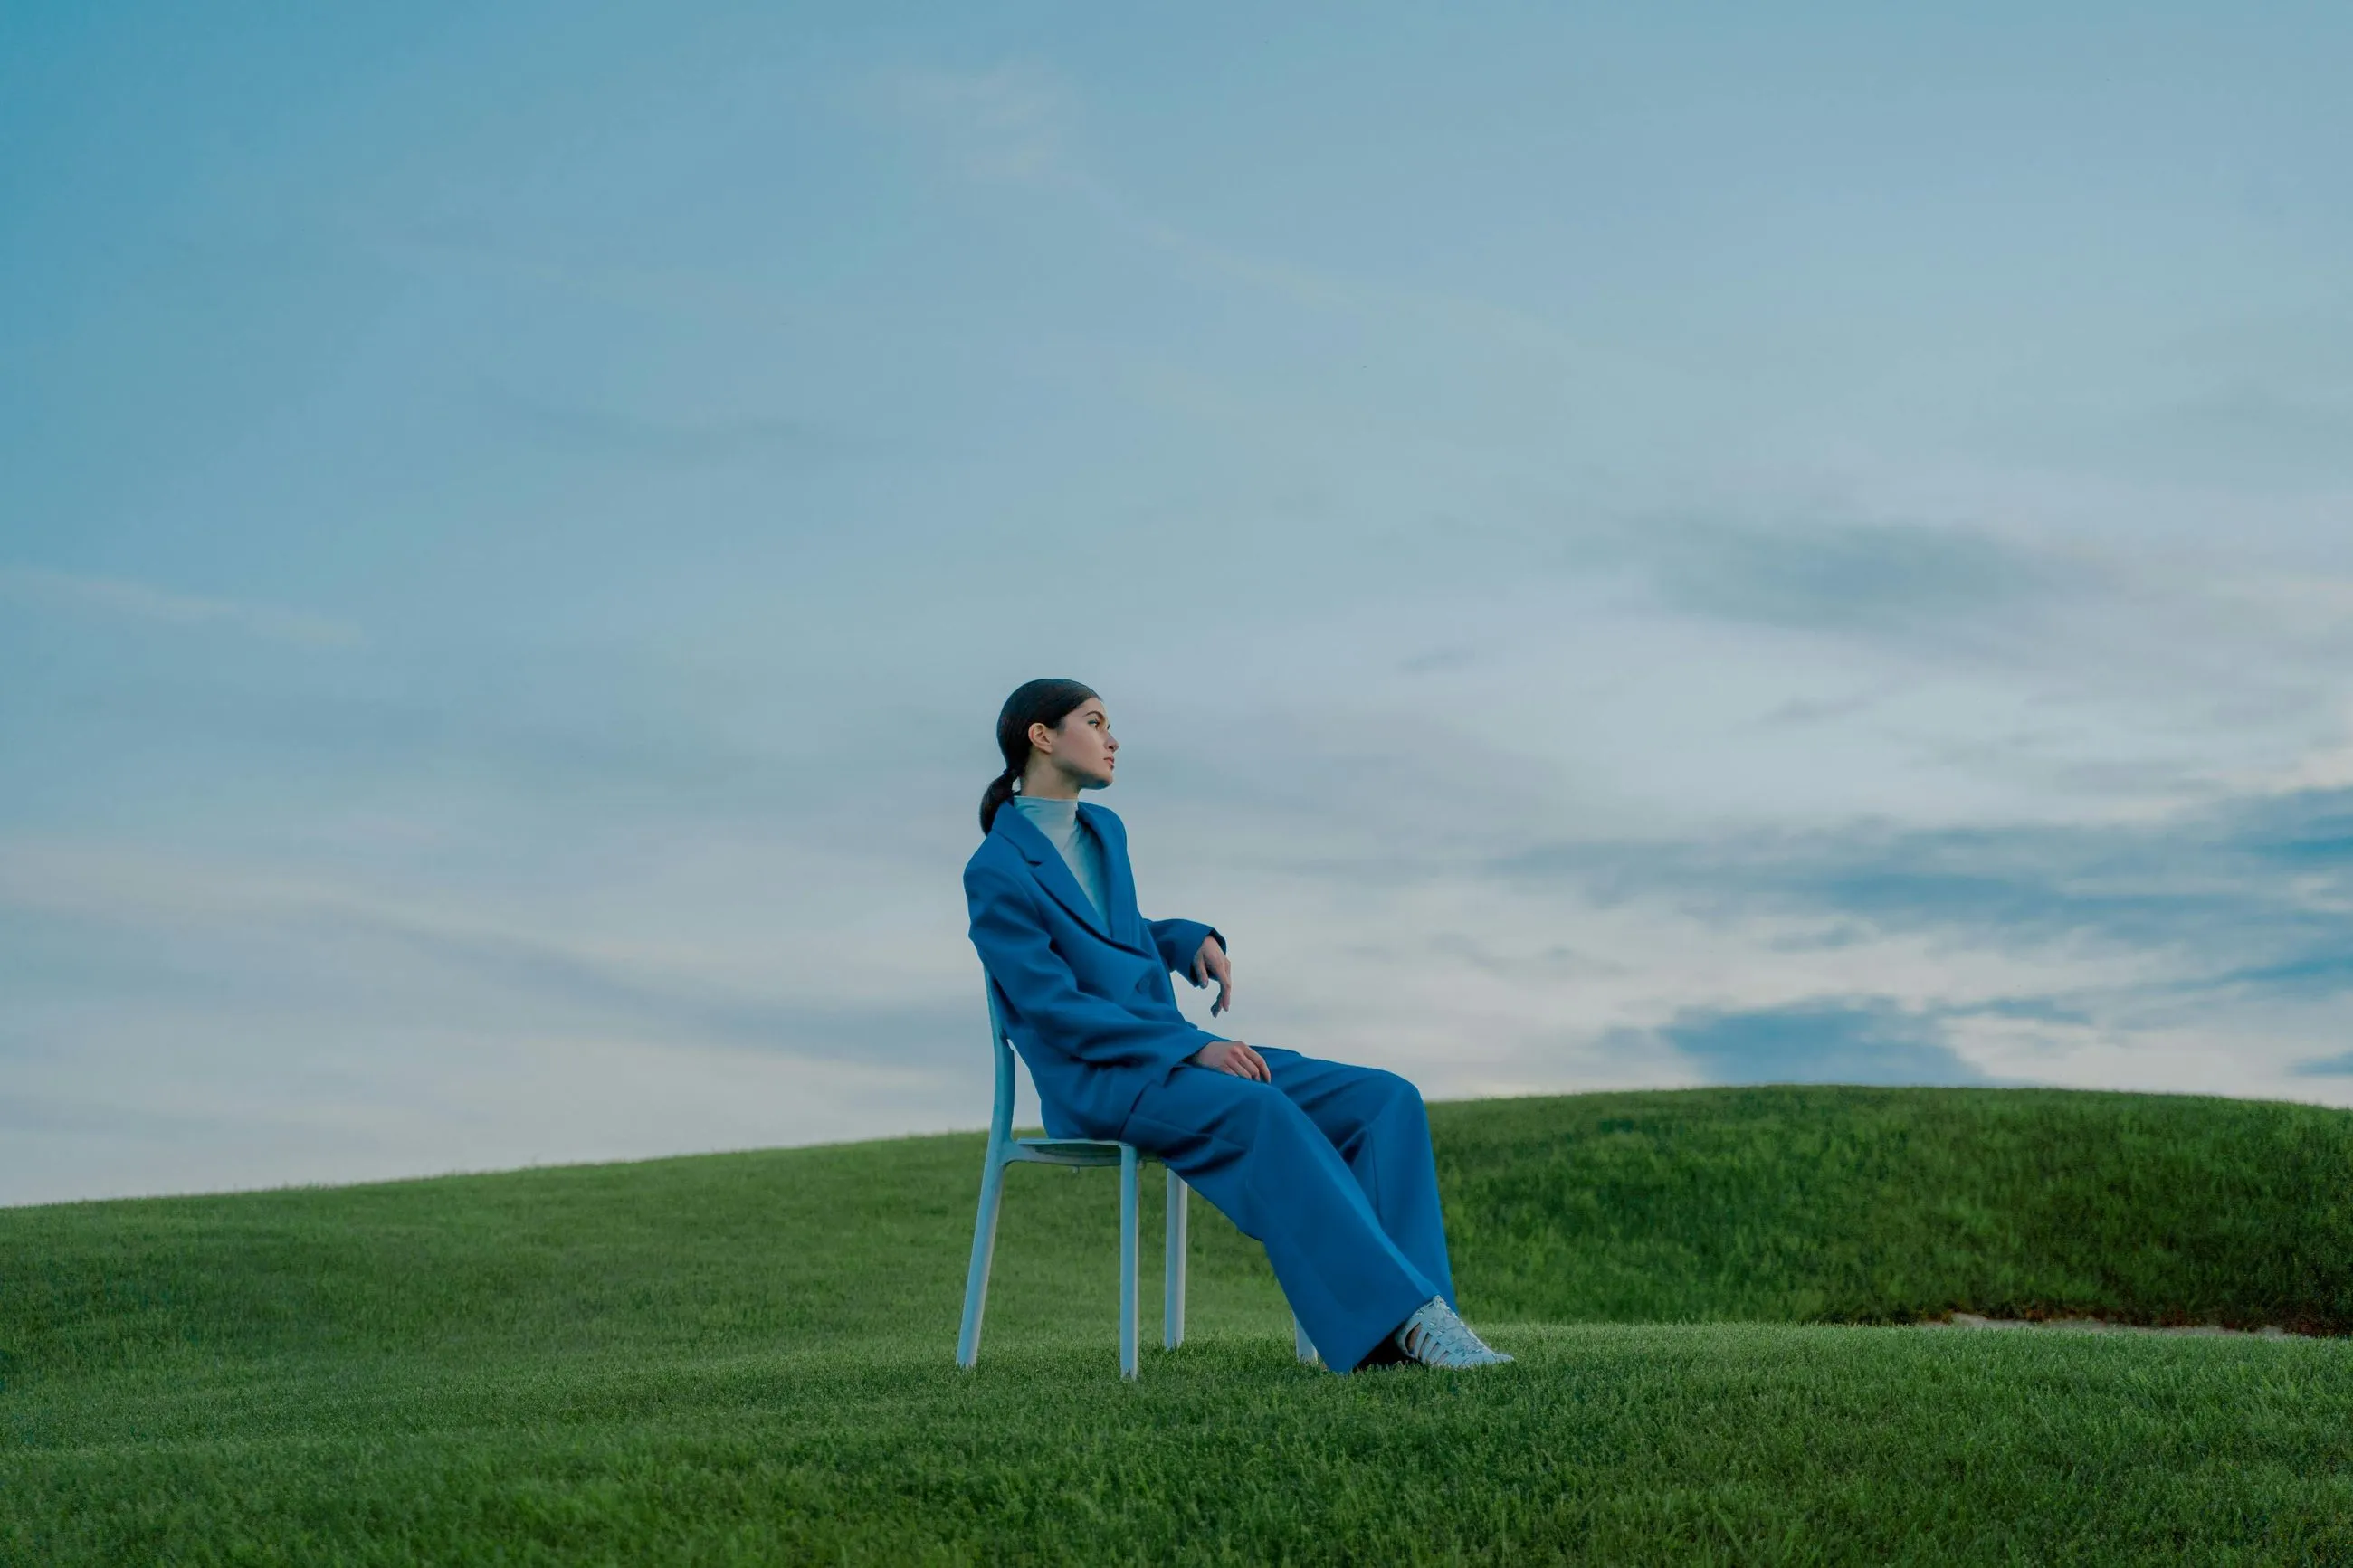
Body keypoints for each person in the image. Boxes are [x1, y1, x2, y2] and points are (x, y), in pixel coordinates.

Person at [962, 678, 1511, 1373]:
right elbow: (1054, 1007)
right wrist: (1195, 1049)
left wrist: (1185, 939)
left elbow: (1113, 932)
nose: (1113, 739)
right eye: (1095, 722)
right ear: (1041, 736)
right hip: (1103, 1081)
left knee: (1385, 1099)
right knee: (1262, 1111)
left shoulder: (1105, 831)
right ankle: (1402, 1324)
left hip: (1168, 1058)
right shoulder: (995, 870)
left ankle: (1421, 1320)